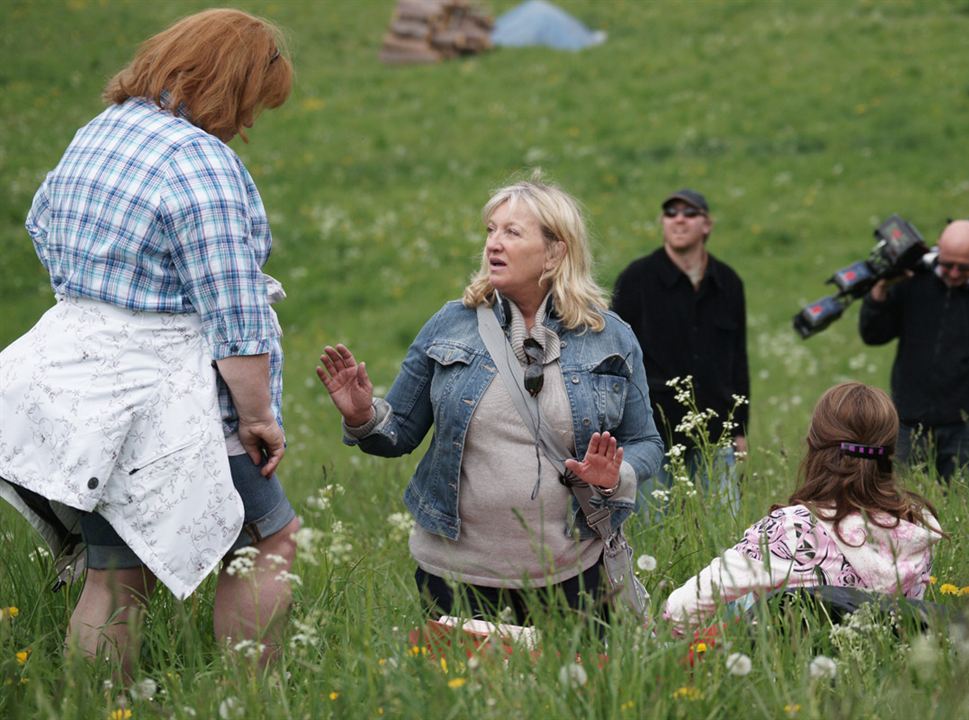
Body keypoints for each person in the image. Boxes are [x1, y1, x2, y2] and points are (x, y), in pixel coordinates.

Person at [0, 9, 300, 674]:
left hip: (93, 396)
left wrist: (105, 300)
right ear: (229, 82)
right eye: (253, 100)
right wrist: (257, 417)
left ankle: (98, 707)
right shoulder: (200, 163)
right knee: (268, 543)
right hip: (180, 406)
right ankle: (251, 697)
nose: (249, 120)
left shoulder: (102, 132)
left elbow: (40, 221)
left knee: (114, 575)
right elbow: (234, 310)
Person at [318, 177, 663, 624]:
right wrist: (364, 416)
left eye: (512, 233)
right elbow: (398, 434)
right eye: (490, 231)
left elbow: (647, 441)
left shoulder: (610, 336)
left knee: (565, 692)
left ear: (556, 251)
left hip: (572, 572)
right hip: (456, 577)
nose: (493, 244)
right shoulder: (450, 325)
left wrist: (617, 474)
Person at [662, 382, 944, 633]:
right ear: (890, 452)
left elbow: (681, 609)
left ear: (815, 446)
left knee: (749, 597)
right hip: (884, 669)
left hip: (791, 673)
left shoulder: (792, 528)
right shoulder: (917, 526)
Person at [858, 220, 969, 486]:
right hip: (907, 422)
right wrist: (880, 291)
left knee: (962, 508)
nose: (954, 274)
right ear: (938, 252)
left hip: (964, 425)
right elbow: (873, 335)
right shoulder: (912, 281)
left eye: (964, 268)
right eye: (947, 264)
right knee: (900, 507)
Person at [611, 189, 749, 506]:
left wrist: (741, 428)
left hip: (716, 430)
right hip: (652, 433)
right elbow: (612, 355)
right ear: (663, 223)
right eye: (671, 213)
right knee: (654, 525)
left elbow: (738, 359)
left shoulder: (728, 283)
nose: (679, 220)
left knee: (725, 523)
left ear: (707, 225)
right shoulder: (636, 279)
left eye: (689, 213)